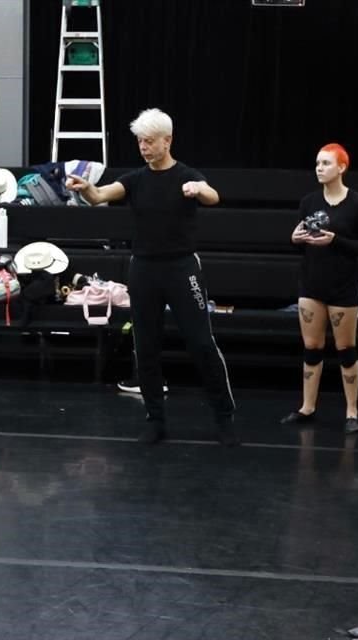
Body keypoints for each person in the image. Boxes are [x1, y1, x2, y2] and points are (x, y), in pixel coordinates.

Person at [66, 108, 237, 446]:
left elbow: (213, 196)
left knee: (202, 343)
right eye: (140, 141)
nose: (143, 147)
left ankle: (224, 416)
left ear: (167, 141)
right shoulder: (135, 179)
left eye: (149, 142)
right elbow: (100, 196)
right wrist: (87, 188)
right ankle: (155, 419)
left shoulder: (186, 175)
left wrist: (197, 190)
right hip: (144, 269)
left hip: (182, 268)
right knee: (145, 346)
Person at [282, 143, 358, 434]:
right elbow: (299, 242)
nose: (319, 168)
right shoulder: (309, 201)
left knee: (346, 349)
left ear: (341, 167)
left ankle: (351, 410)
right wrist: (295, 240)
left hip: (343, 286)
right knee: (312, 347)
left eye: (326, 163)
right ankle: (307, 406)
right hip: (311, 282)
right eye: (318, 163)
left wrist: (335, 240)